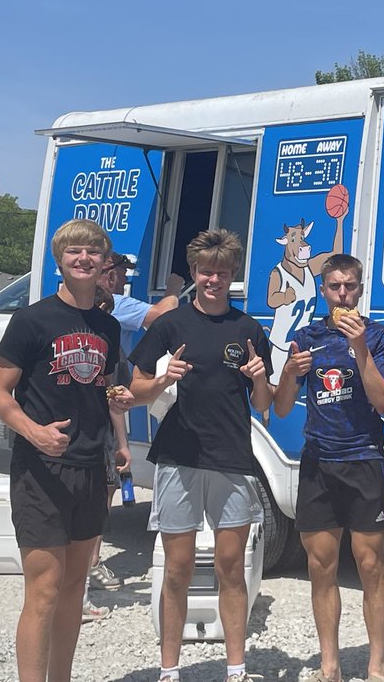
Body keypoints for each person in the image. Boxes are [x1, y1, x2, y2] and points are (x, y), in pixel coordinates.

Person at [0, 218, 134, 682]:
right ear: (59, 261)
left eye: (92, 251)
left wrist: (121, 405)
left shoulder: (107, 326)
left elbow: (103, 387)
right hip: (42, 470)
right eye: (74, 252)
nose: (83, 258)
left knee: (74, 588)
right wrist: (34, 432)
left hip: (91, 467)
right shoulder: (32, 319)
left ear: (104, 261)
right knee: (44, 592)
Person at [129, 230, 274, 682]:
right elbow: (133, 391)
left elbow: (266, 404)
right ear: (194, 274)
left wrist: (259, 377)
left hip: (232, 457)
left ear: (234, 276)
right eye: (206, 271)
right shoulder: (169, 326)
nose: (214, 279)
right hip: (179, 455)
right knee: (178, 567)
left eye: (223, 272)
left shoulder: (248, 328)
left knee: (233, 567)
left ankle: (236, 669)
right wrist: (160, 378)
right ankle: (169, 670)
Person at [273, 253, 384, 682]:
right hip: (319, 463)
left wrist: (359, 346)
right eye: (334, 286)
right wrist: (290, 371)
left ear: (361, 290)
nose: (342, 294)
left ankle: (377, 664)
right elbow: (282, 407)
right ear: (323, 291)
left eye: (350, 286)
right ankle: (330, 665)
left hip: (363, 459)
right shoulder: (307, 336)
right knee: (321, 565)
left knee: (371, 564)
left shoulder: (378, 336)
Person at [85, 254, 184, 594]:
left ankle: (86, 564)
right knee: (101, 487)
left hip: (102, 409)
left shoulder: (94, 309)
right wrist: (174, 288)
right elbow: (162, 315)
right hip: (100, 413)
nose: (125, 280)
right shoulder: (116, 306)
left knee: (99, 487)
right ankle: (91, 564)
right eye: (122, 274)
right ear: (107, 275)